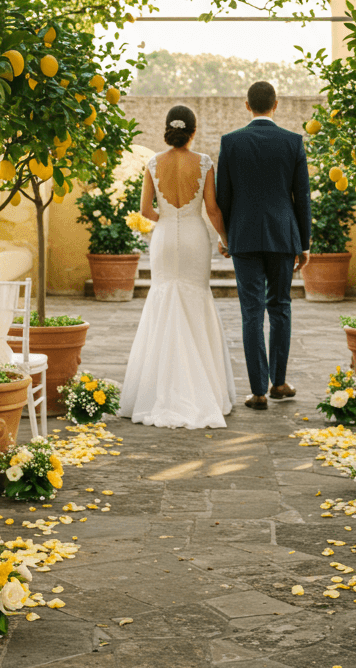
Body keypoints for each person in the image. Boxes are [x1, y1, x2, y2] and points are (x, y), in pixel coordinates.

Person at [119, 104, 236, 429]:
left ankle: (156, 389)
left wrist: (167, 220)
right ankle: (204, 390)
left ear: (168, 131)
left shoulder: (154, 163)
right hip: (196, 240)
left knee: (163, 299)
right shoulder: (204, 163)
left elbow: (145, 209)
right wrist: (225, 239)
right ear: (193, 131)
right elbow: (212, 210)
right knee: (196, 300)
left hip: (165, 239)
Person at [215, 81, 311, 411]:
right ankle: (279, 383)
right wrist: (305, 243)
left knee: (251, 311)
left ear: (247, 105)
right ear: (276, 104)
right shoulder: (293, 142)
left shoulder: (230, 142)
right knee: (280, 306)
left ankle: (257, 392)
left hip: (243, 237)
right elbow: (303, 198)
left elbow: (222, 197)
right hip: (283, 237)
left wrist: (226, 237)